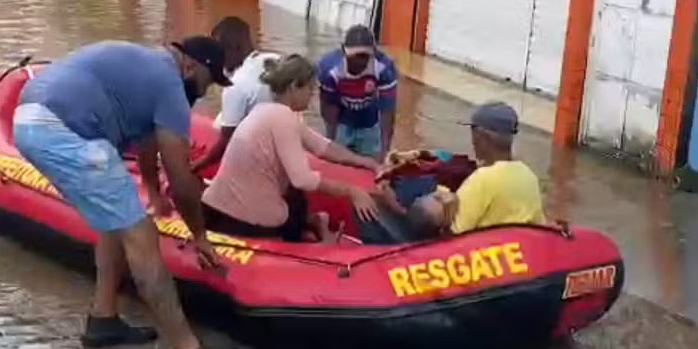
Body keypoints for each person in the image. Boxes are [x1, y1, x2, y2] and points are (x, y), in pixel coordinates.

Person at [13, 37, 250, 349]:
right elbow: (180, 174)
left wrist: (153, 193)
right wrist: (199, 236)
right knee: (141, 237)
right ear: (190, 66)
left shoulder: (143, 64)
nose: (201, 93)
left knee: (116, 221)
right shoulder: (169, 83)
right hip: (61, 131)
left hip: (32, 121)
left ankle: (103, 318)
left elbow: (147, 147)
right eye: (206, 82)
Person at [202, 54, 382, 243]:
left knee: (293, 198)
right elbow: (302, 179)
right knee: (295, 196)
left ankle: (315, 225)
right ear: (294, 86)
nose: (312, 98)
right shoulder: (283, 118)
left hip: (214, 209)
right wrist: (352, 190)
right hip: (240, 219)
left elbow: (323, 147)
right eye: (310, 90)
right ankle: (315, 232)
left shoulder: (264, 110)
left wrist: (366, 162)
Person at [384, 102, 546, 236]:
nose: (472, 139)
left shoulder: (482, 179)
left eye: (473, 132)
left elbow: (454, 234)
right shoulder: (529, 175)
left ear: (483, 136)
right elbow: (540, 225)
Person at [191, 16, 279, 174]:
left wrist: (199, 164)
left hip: (256, 159)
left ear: (235, 48)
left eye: (220, 54)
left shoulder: (236, 85)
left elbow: (227, 142)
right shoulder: (276, 60)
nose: (218, 61)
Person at [318, 24, 398, 161]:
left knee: (371, 166)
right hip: (341, 122)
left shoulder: (384, 68)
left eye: (365, 56)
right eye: (355, 56)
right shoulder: (329, 67)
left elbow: (388, 111)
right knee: (336, 164)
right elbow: (328, 107)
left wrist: (385, 150)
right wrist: (329, 142)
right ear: (344, 51)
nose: (360, 62)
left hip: (370, 124)